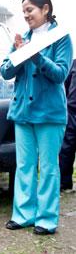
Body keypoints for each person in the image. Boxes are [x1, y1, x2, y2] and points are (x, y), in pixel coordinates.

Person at [0, 0, 73, 235]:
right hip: (22, 112)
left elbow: (61, 74)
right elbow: (5, 71)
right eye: (24, 11)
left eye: (30, 10)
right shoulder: (24, 38)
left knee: (49, 168)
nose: (26, 15)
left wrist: (35, 55)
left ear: (45, 9)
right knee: (24, 166)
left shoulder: (61, 38)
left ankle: (46, 219)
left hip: (50, 113)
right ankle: (23, 215)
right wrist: (19, 54)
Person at [59, 59, 76, 191]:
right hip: (72, 111)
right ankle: (64, 182)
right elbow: (64, 85)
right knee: (66, 146)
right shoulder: (73, 64)